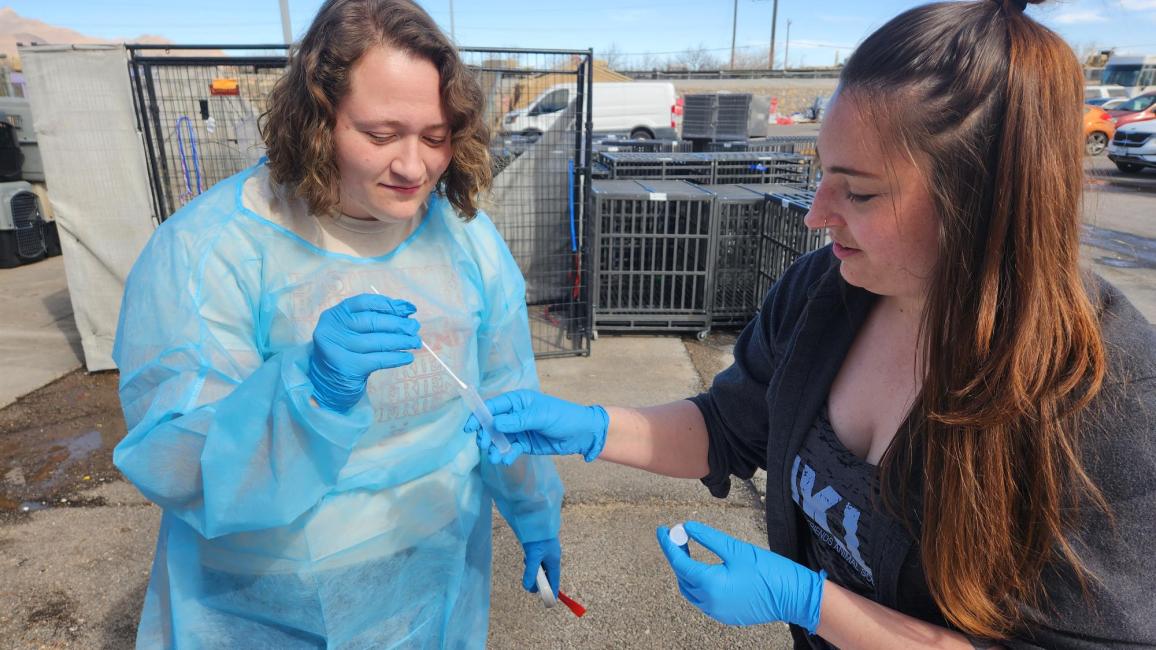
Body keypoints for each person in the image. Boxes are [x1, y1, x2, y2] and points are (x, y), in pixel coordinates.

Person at [468, 0, 1156, 648]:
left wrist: (813, 602)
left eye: (858, 191)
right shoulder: (827, 292)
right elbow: (729, 428)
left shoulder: (1107, 392)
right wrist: (588, 427)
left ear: (980, 198)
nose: (816, 214)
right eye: (823, 175)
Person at [112, 0, 564, 646]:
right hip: (264, 611)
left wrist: (534, 510)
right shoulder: (214, 252)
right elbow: (178, 457)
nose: (414, 167)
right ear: (319, 119)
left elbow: (503, 394)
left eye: (435, 136)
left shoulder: (465, 241)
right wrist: (310, 395)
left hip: (431, 594)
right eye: (381, 135)